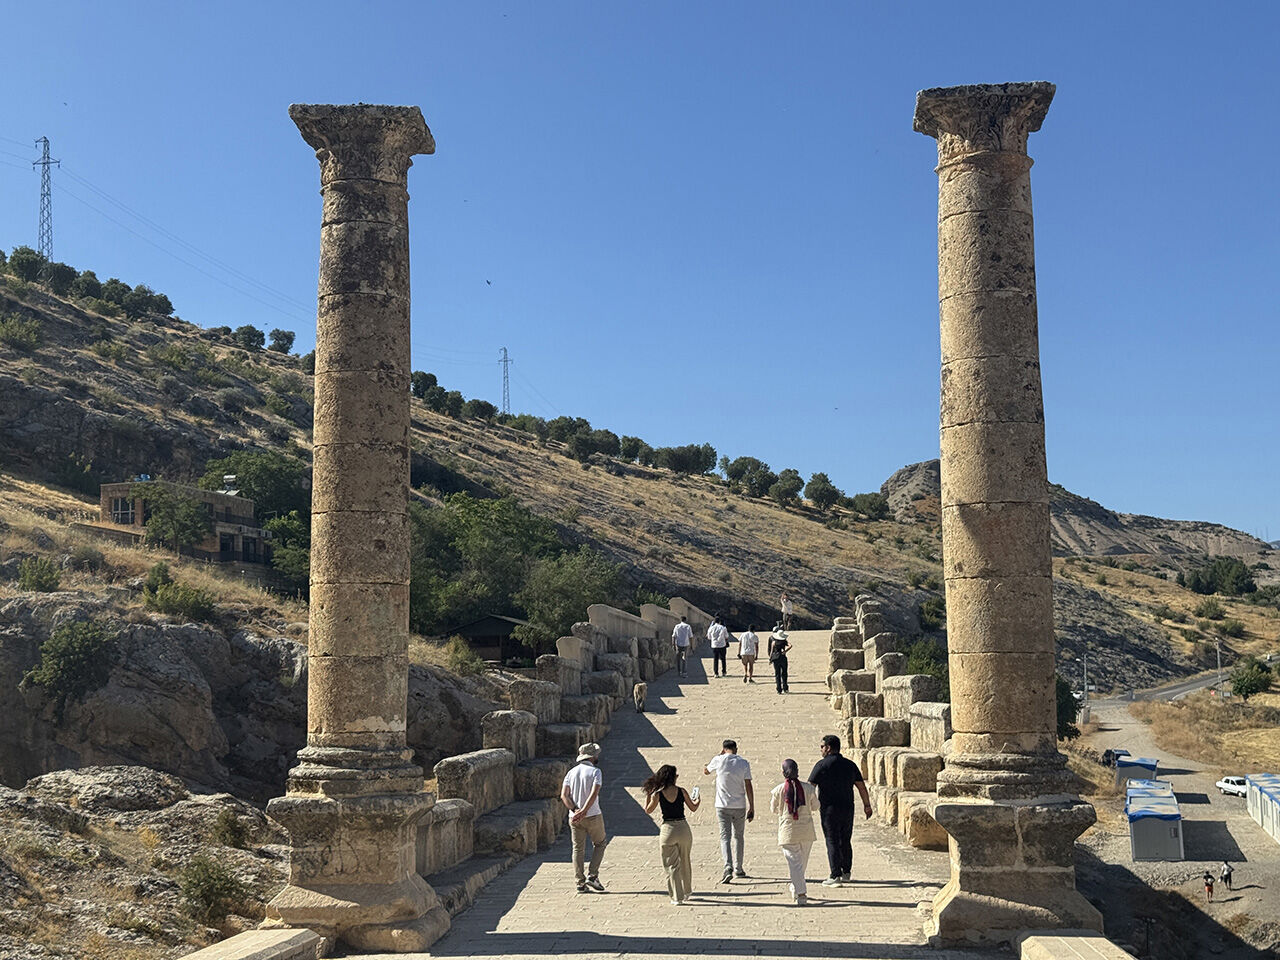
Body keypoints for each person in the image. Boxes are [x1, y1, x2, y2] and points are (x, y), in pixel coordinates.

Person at [808, 734, 872, 886]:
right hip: (847, 808)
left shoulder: (821, 765)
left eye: (822, 747)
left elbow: (810, 787)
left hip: (829, 810)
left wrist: (808, 806)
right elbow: (861, 786)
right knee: (845, 839)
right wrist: (867, 805)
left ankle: (835, 874)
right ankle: (846, 871)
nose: (821, 750)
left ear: (829, 748)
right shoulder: (850, 765)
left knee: (832, 840)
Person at [642, 764, 701, 905]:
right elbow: (693, 807)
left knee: (671, 865)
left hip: (668, 829)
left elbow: (648, 810)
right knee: (685, 860)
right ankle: (687, 891)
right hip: (683, 828)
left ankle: (677, 896)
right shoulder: (682, 791)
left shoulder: (658, 793)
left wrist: (649, 795)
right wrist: (698, 800)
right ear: (674, 777)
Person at [561, 742, 609, 893]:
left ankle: (580, 882)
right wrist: (584, 810)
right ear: (593, 756)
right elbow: (594, 793)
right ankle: (593, 875)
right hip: (593, 814)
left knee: (578, 849)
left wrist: (575, 810)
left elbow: (564, 795)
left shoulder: (571, 772)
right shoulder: (595, 772)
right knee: (600, 843)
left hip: (574, 818)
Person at [704, 739, 754, 882]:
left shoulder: (718, 760)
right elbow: (748, 785)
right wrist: (752, 806)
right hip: (739, 805)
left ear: (724, 749)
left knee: (725, 837)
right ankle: (738, 868)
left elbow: (706, 771)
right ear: (736, 749)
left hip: (722, 805)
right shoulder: (743, 763)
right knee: (739, 837)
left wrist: (718, 755)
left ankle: (728, 866)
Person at [769, 758, 816, 905]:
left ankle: (801, 893)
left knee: (795, 863)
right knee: (801, 862)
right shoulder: (809, 789)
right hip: (806, 830)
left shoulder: (778, 790)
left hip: (788, 830)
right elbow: (815, 806)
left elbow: (773, 809)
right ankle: (796, 888)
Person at [768, 625, 791, 694]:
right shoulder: (784, 641)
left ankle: (779, 689)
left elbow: (771, 651)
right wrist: (785, 651)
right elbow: (790, 645)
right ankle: (785, 688)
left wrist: (770, 659)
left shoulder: (774, 642)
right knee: (784, 673)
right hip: (783, 657)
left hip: (776, 658)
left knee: (777, 674)